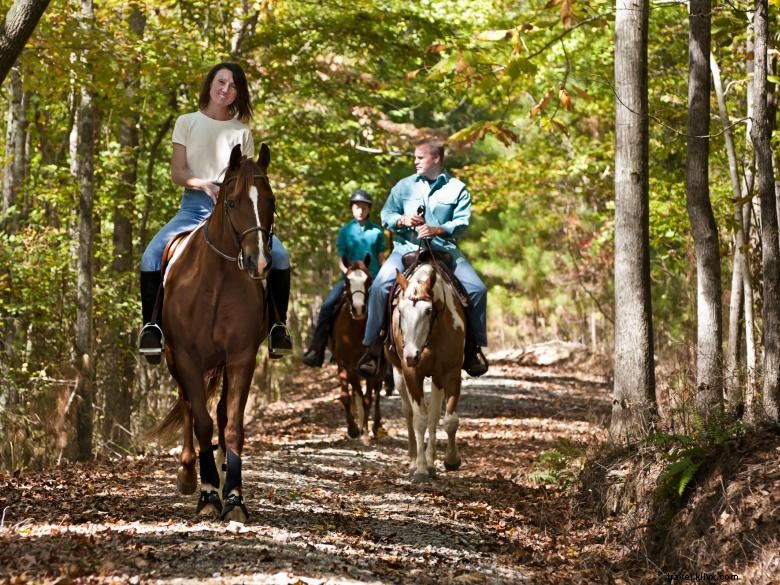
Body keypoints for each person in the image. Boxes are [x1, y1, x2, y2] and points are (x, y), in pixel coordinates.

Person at [137, 62, 293, 365]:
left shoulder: (241, 132)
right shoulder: (187, 122)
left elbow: (245, 176)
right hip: (194, 207)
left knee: (282, 257)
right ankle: (152, 328)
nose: (226, 90)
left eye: (233, 86)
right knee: (150, 257)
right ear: (210, 84)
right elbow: (177, 172)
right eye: (221, 82)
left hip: (235, 212)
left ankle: (277, 327)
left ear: (239, 93)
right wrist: (203, 184)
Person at [357, 136, 489, 378]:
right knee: (378, 287)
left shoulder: (457, 189)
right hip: (405, 250)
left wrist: (437, 229)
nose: (415, 162)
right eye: (415, 158)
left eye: (420, 157)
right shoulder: (403, 186)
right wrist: (402, 220)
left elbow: (462, 223)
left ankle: (474, 349)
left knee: (478, 289)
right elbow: (387, 214)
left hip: (444, 252)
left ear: (436, 158)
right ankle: (372, 348)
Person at [301, 189, 385, 367]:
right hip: (349, 279)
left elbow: (380, 258)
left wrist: (385, 276)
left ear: (369, 209)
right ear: (352, 209)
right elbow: (341, 259)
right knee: (327, 306)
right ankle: (317, 349)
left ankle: (390, 360)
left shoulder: (377, 232)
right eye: (357, 207)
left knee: (389, 309)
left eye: (364, 207)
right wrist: (348, 272)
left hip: (372, 280)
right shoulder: (345, 231)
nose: (360, 210)